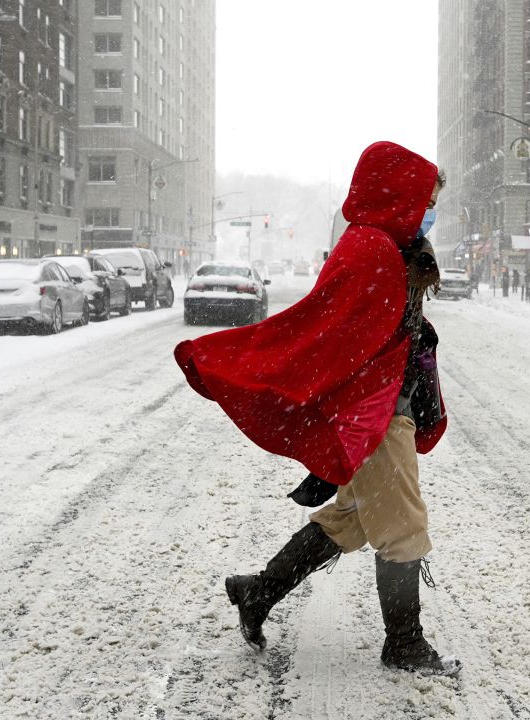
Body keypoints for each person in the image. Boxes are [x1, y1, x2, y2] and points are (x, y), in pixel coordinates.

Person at [173, 141, 460, 676]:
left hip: (380, 405)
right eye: (425, 200)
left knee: (348, 520)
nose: (429, 212)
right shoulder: (373, 249)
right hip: (374, 411)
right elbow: (337, 336)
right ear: (397, 193)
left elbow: (385, 327)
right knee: (402, 527)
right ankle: (405, 644)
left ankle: (257, 594)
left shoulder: (388, 244)